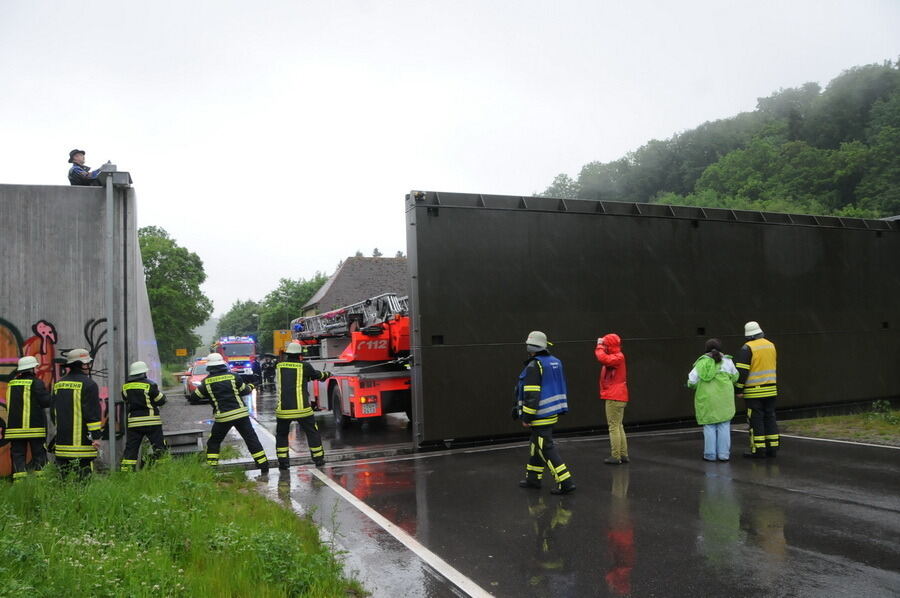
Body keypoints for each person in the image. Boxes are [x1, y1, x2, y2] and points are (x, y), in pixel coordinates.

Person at [514, 330, 575, 495]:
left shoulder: (535, 365)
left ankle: (565, 481)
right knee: (536, 446)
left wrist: (526, 416)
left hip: (539, 414)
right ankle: (533, 479)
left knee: (545, 448)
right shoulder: (555, 362)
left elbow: (531, 394)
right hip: (552, 412)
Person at [192, 352, 269, 472]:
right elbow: (245, 391)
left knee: (214, 441)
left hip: (223, 417)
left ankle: (211, 468)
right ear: (223, 364)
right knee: (251, 438)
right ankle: (263, 466)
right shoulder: (234, 376)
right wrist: (252, 386)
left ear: (209, 367)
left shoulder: (206, 382)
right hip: (241, 414)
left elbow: (194, 397)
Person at [274, 342, 331, 470]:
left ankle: (283, 462)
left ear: (287, 354)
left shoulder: (279, 366)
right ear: (300, 355)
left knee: (282, 434)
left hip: (283, 410)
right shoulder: (304, 366)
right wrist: (327, 374)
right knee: (312, 433)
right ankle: (318, 460)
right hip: (302, 410)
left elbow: (290, 378)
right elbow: (317, 376)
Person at [51, 348, 103, 479]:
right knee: (83, 479)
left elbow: (53, 412)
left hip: (62, 443)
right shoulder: (89, 385)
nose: (88, 366)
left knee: (63, 480)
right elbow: (92, 414)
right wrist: (96, 436)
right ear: (79, 365)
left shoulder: (58, 384)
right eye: (86, 364)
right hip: (82, 445)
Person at [687, 338, 738, 462]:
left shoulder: (700, 363)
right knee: (724, 424)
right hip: (724, 399)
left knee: (709, 426)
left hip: (707, 400)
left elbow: (691, 381)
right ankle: (724, 455)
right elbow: (735, 377)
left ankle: (709, 455)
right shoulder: (727, 361)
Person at [735, 321, 779, 458]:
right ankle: (772, 448)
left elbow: (742, 371)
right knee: (770, 417)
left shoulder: (747, 348)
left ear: (748, 336)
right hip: (771, 389)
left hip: (754, 392)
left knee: (756, 420)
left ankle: (758, 450)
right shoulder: (771, 345)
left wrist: (738, 389)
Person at [5, 356, 51, 481]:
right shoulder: (36, 383)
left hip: (15, 430)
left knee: (18, 456)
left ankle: (19, 485)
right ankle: (42, 483)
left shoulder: (12, 384)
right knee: (39, 456)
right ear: (32, 369)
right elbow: (46, 402)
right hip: (35, 429)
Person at [120, 361, 167, 472]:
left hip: (134, 423)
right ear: (144, 373)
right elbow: (161, 400)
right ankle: (163, 470)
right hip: (152, 422)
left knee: (131, 449)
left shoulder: (125, 387)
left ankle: (126, 473)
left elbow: (126, 400)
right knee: (158, 446)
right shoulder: (150, 384)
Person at [595, 333, 629, 465]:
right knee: (619, 425)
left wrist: (599, 346)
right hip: (620, 396)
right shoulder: (618, 356)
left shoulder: (617, 357)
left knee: (613, 426)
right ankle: (623, 454)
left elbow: (602, 358)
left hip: (614, 396)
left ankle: (616, 456)